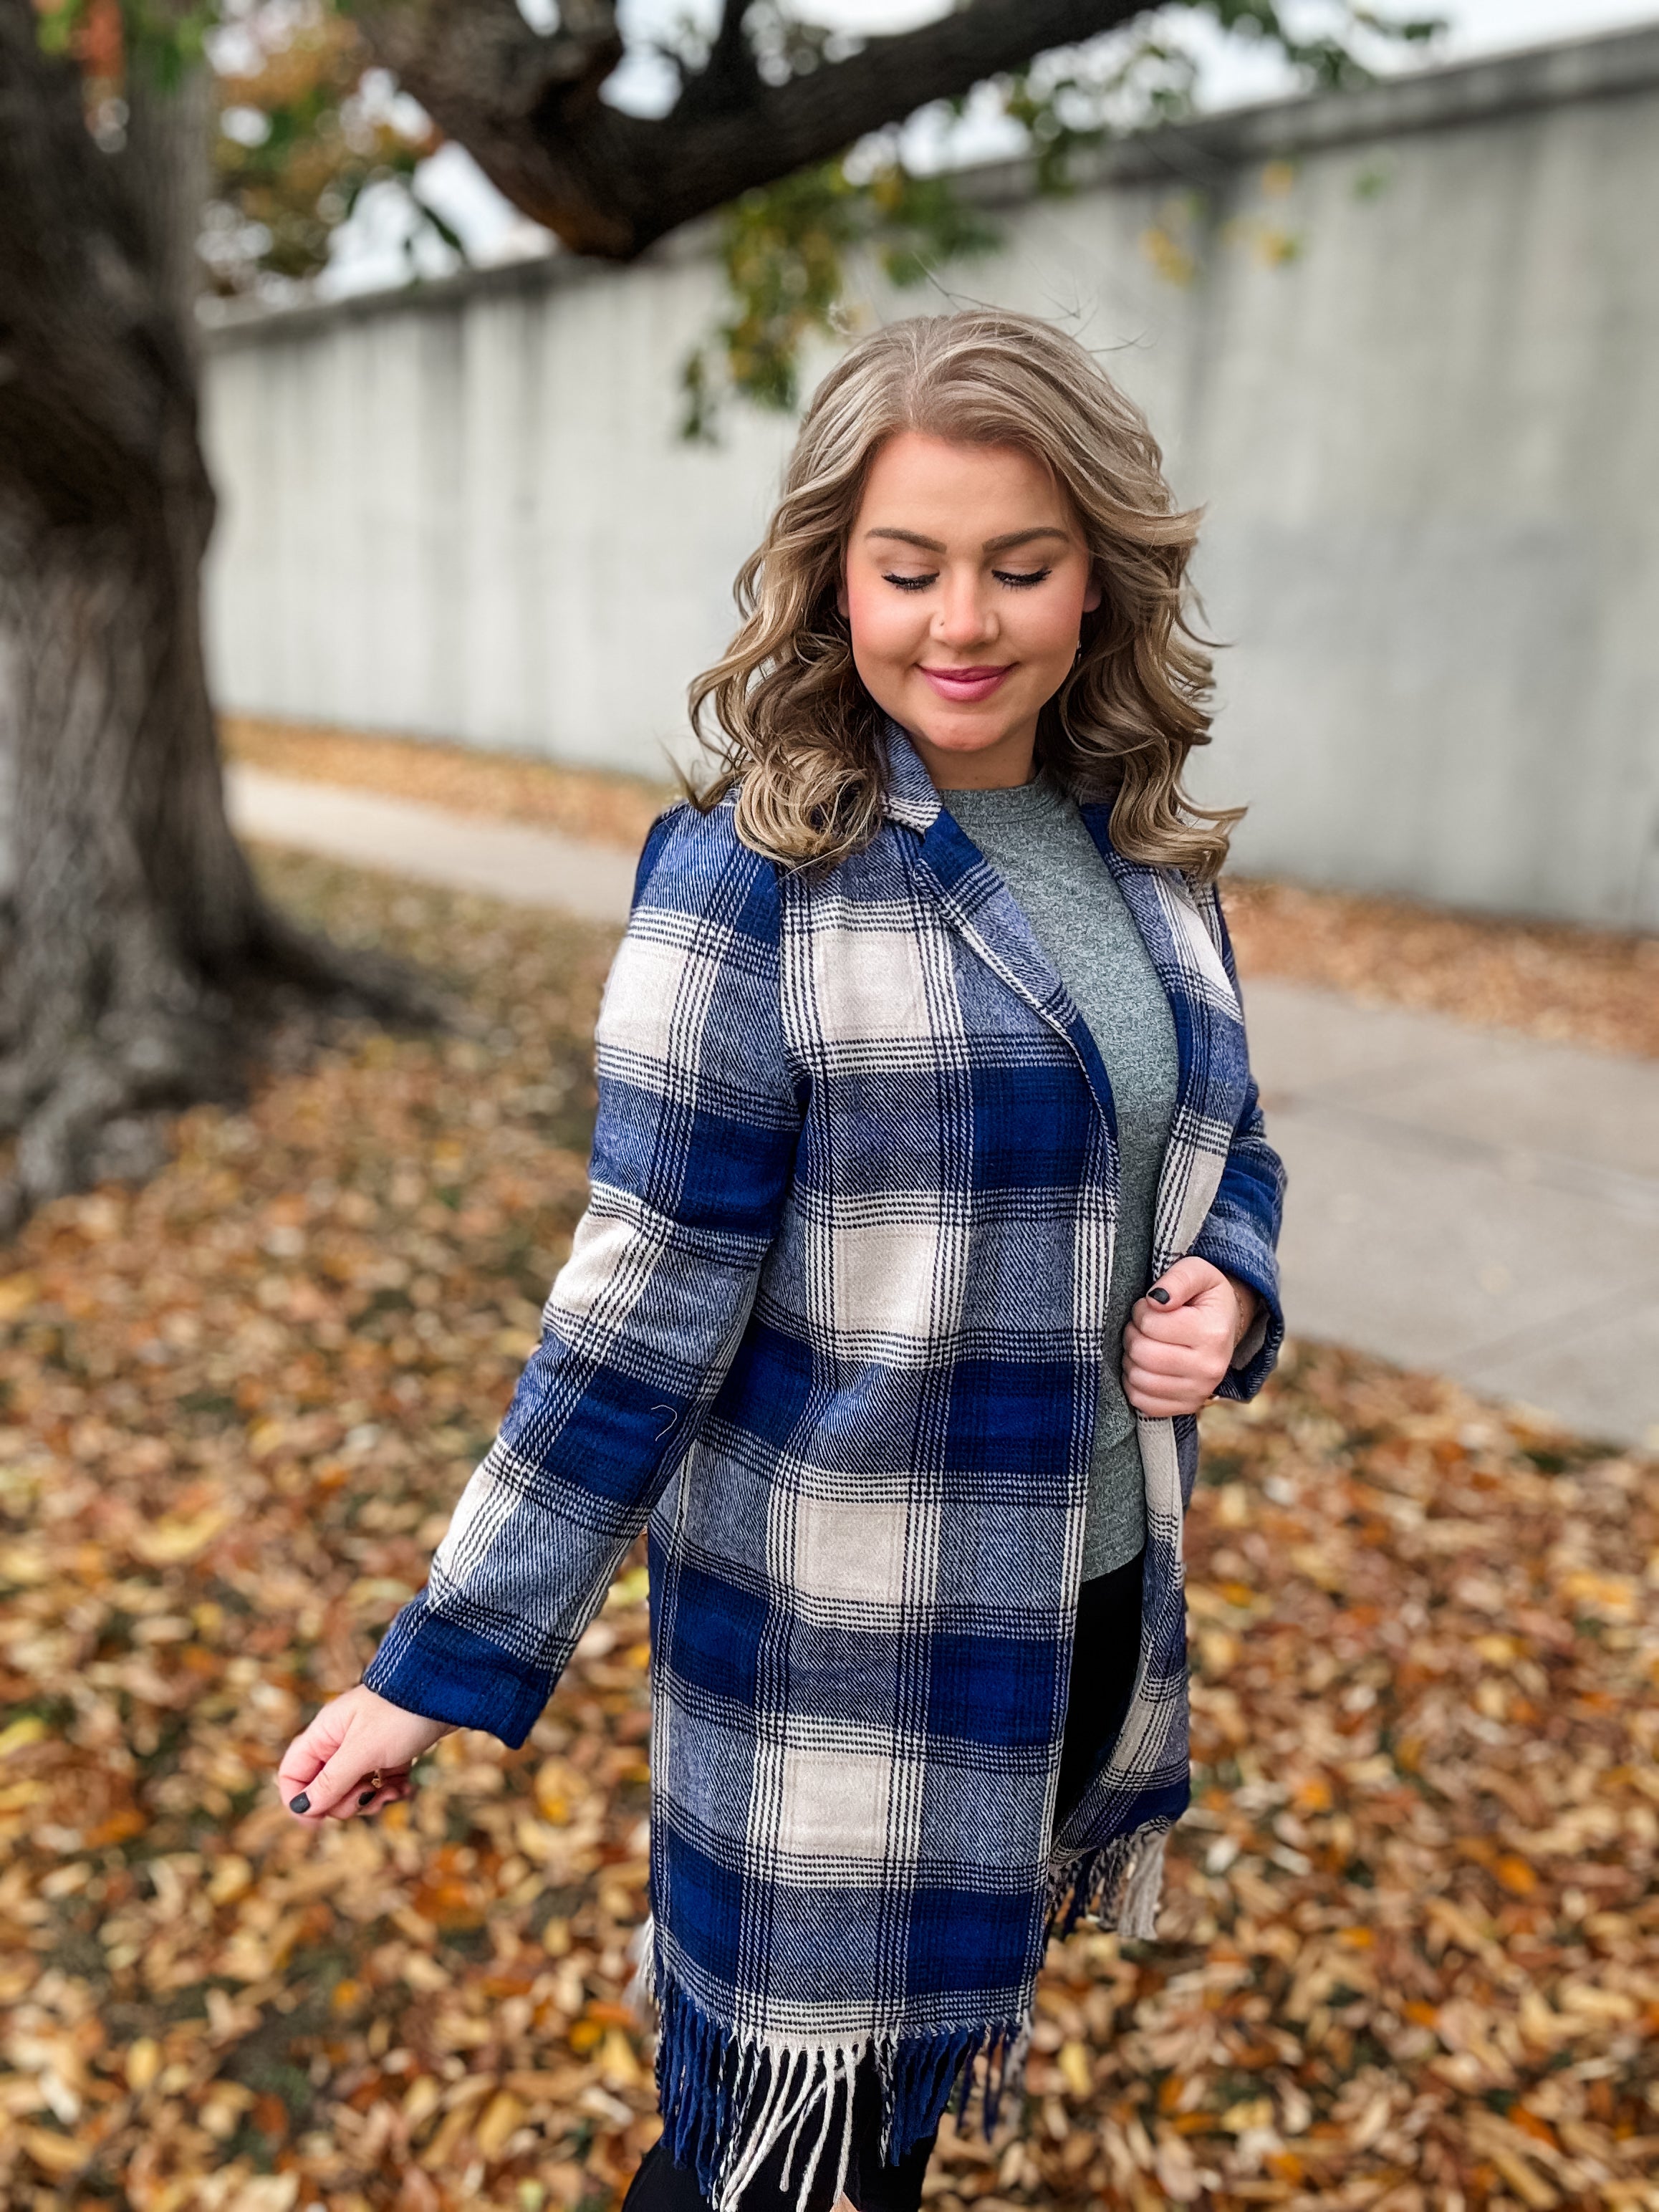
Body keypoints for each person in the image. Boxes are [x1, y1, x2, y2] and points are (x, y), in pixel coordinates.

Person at [277, 309, 1286, 2212]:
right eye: (907, 568)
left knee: (868, 2158)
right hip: (844, 1648)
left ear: (1102, 579)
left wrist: (1229, 1284)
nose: (960, 622)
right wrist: (450, 1659)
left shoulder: (1145, 859)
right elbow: (642, 1297)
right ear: (832, 576)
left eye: (1018, 564)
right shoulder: (752, 875)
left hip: (1080, 1618)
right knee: (769, 2160)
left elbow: (1224, 1144)